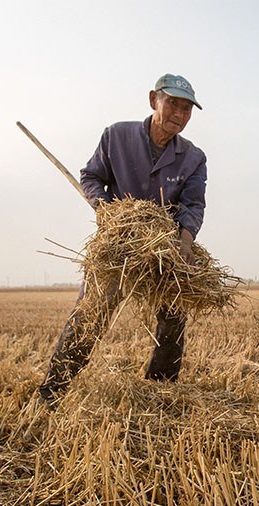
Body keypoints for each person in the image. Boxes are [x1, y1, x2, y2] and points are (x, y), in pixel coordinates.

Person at [38, 73, 207, 405]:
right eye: (173, 103)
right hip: (118, 246)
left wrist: (184, 244)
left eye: (187, 109)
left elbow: (193, 204)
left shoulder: (193, 157)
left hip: (164, 249)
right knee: (89, 317)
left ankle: (161, 392)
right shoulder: (117, 136)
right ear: (153, 99)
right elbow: (92, 176)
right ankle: (51, 394)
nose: (179, 114)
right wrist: (103, 209)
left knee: (173, 318)